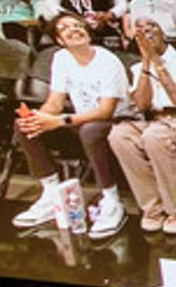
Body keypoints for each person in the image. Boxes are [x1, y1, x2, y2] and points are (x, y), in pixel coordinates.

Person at [12, 12, 129, 239]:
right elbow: (55, 102)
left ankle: (112, 201)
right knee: (25, 125)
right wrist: (39, 117)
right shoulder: (61, 58)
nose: (74, 29)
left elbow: (106, 111)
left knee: (90, 130)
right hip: (82, 120)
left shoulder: (107, 60)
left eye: (78, 25)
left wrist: (58, 121)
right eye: (66, 28)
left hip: (118, 122)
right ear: (60, 41)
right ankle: (50, 194)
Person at [108, 18, 176, 235]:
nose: (147, 34)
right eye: (140, 32)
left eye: (151, 28)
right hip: (157, 121)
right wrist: (146, 63)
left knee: (155, 136)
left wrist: (156, 59)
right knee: (119, 135)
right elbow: (141, 105)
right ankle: (153, 208)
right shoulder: (138, 67)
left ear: (162, 33)